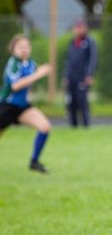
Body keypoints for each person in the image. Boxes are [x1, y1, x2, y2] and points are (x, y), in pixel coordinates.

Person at [1, 34, 52, 173]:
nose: (24, 49)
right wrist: (39, 74)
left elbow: (30, 82)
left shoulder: (30, 63)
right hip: (7, 106)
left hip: (22, 107)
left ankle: (34, 162)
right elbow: (15, 86)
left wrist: (42, 71)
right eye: (21, 47)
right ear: (13, 49)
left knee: (45, 127)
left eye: (27, 46)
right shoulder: (13, 63)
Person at [63, 19, 97, 127]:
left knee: (82, 101)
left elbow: (93, 59)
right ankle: (73, 125)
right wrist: (66, 75)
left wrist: (89, 74)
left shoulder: (89, 41)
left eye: (81, 27)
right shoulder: (72, 42)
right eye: (77, 27)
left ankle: (86, 124)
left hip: (83, 77)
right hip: (71, 77)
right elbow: (69, 60)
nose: (78, 30)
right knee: (71, 102)